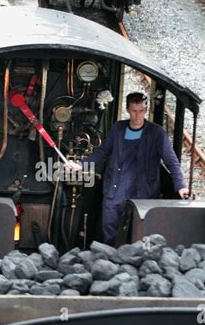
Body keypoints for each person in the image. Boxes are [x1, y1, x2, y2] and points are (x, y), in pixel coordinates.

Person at [71, 92, 189, 245]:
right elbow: (102, 152)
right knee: (110, 228)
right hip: (115, 190)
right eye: (134, 111)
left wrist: (181, 186)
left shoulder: (156, 133)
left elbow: (171, 161)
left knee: (139, 234)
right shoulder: (117, 129)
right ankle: (112, 263)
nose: (138, 115)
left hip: (143, 193)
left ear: (145, 110)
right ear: (128, 109)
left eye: (141, 111)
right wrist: (81, 164)